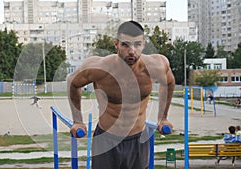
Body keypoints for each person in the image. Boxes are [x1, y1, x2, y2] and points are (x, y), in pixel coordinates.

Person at [67, 20, 175, 169]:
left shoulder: (156, 66)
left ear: (143, 44)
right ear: (116, 44)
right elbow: (73, 82)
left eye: (137, 44)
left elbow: (169, 83)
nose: (132, 51)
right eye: (125, 45)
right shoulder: (100, 68)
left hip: (139, 139)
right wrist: (78, 120)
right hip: (106, 139)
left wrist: (163, 118)